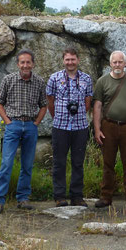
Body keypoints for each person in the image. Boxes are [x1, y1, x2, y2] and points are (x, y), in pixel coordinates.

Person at [0, 50, 48, 214]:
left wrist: (36, 122)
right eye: (22, 62)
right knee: (6, 163)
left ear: (33, 64)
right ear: (17, 64)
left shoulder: (39, 82)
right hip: (13, 125)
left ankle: (23, 198)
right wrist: (7, 122)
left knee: (27, 165)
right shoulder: (8, 80)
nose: (25, 65)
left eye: (28, 62)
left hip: (30, 125)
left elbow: (43, 105)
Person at [93, 50, 126, 210]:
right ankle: (106, 197)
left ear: (125, 64)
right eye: (114, 62)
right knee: (108, 163)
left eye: (120, 62)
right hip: (108, 126)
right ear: (110, 63)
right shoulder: (102, 82)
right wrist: (97, 128)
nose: (117, 65)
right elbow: (97, 106)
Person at [46, 48, 93, 207]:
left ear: (78, 60)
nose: (70, 62)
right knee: (59, 162)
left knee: (78, 162)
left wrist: (80, 113)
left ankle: (77, 196)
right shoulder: (54, 78)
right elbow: (50, 101)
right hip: (60, 126)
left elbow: (88, 101)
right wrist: (58, 116)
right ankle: (59, 196)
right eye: (67, 59)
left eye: (73, 59)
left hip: (80, 126)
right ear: (63, 60)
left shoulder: (86, 78)